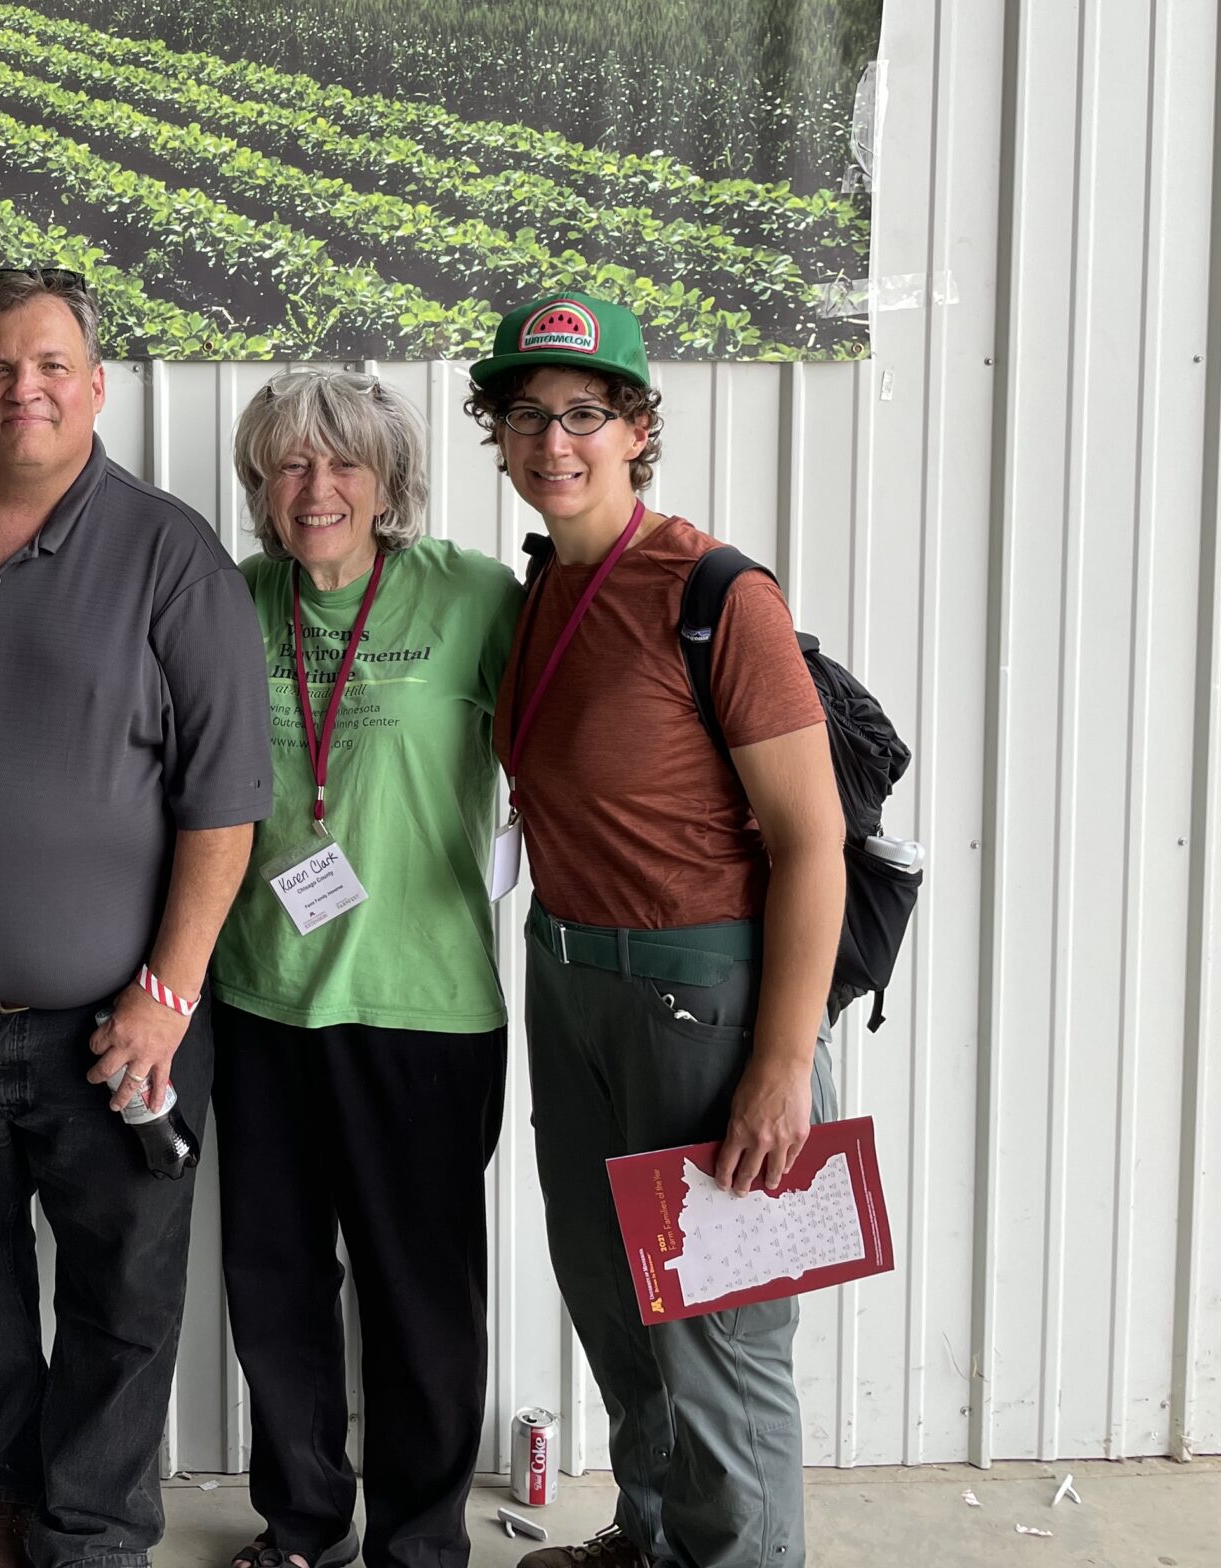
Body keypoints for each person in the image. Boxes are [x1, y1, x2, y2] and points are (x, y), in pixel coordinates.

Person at [0, 267, 273, 1568]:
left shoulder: (171, 555)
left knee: (125, 1296)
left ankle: (94, 1531)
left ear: (97, 384)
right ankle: (7, 1494)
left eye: (51, 366)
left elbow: (225, 807)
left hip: (124, 1028)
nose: (25, 390)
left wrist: (168, 994)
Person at [462, 293, 843, 1568]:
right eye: (525, 416)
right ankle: (652, 1535)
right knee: (617, 1304)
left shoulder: (715, 593)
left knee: (719, 1337)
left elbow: (810, 843)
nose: (551, 441)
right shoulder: (540, 596)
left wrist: (781, 1064)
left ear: (635, 428)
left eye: (582, 414)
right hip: (572, 986)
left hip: (705, 1004)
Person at [211, 370, 522, 1568]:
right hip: (260, 1000)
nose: (317, 487)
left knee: (417, 1297)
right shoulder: (229, 604)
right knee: (276, 1285)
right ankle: (300, 1524)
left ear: (389, 480)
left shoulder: (472, 598)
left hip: (423, 1009)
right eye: (289, 465)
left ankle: (417, 1541)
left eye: (343, 464)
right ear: (260, 486)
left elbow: (573, 736)